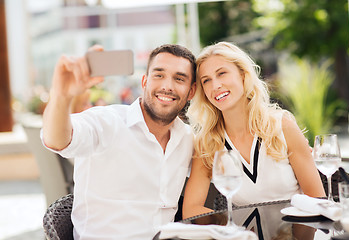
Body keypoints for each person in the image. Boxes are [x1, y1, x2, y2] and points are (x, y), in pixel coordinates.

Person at [41, 44, 196, 239]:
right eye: (159, 75)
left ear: (191, 91)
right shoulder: (106, 122)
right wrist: (61, 95)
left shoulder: (188, 139)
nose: (167, 86)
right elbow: (57, 140)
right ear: (145, 81)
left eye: (179, 78)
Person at [182, 42, 325, 219]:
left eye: (222, 73)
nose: (215, 85)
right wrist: (232, 228)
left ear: (243, 75)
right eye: (206, 80)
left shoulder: (282, 127)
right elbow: (191, 209)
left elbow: (317, 199)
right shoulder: (208, 143)